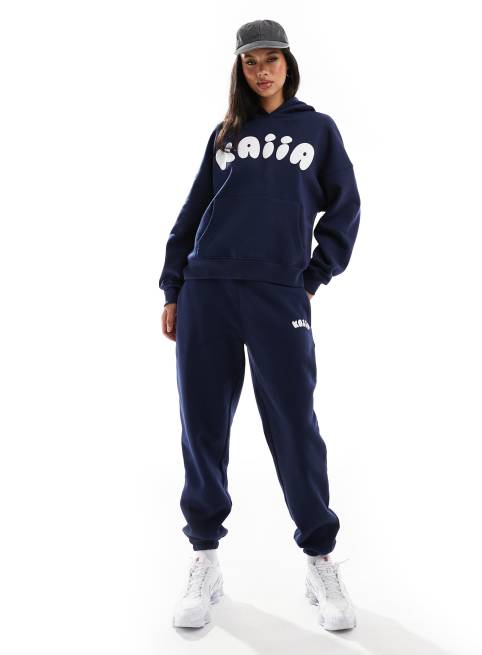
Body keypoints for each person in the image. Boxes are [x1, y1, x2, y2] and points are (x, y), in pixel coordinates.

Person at [159, 19, 361, 631]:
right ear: (240, 69)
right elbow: (194, 210)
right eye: (251, 62)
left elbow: (346, 208)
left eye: (271, 59)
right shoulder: (225, 133)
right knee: (202, 424)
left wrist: (312, 276)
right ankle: (204, 559)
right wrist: (173, 286)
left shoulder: (318, 130)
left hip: (278, 296)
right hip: (207, 291)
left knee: (295, 424)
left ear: (288, 64)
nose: (262, 70)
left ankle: (320, 560)